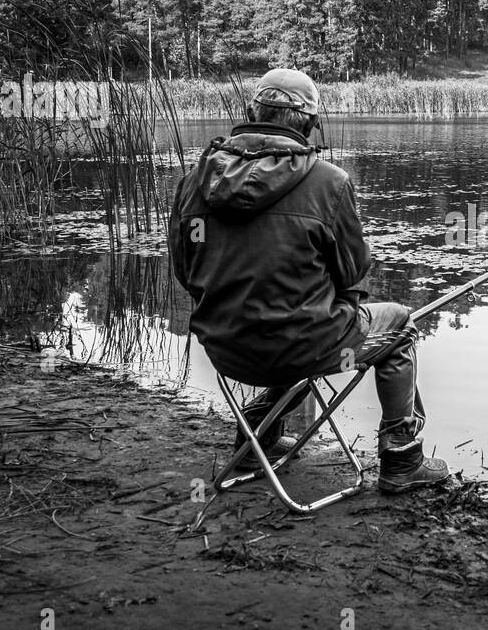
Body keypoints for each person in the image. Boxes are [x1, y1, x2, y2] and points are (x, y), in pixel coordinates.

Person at [168, 67, 450, 494]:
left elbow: (186, 269)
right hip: (301, 349)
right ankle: (402, 460)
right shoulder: (327, 182)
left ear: (249, 113)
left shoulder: (194, 183)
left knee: (297, 317)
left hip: (224, 350)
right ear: (309, 124)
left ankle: (259, 432)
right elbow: (353, 272)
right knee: (399, 323)